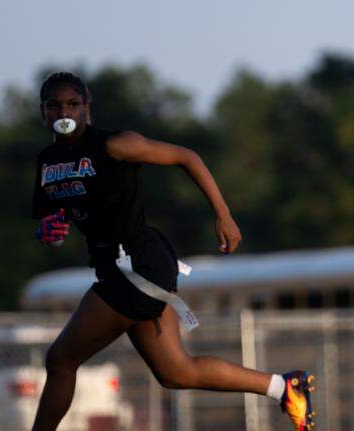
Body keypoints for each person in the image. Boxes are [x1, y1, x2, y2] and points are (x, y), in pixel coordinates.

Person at [30, 72, 315, 431]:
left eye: (72, 103)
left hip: (136, 265)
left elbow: (187, 156)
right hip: (117, 267)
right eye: (54, 105)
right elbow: (51, 223)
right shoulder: (47, 161)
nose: (63, 111)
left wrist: (223, 215)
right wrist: (48, 232)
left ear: (87, 107)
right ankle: (284, 387)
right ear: (42, 111)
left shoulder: (115, 145)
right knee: (175, 371)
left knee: (60, 359)